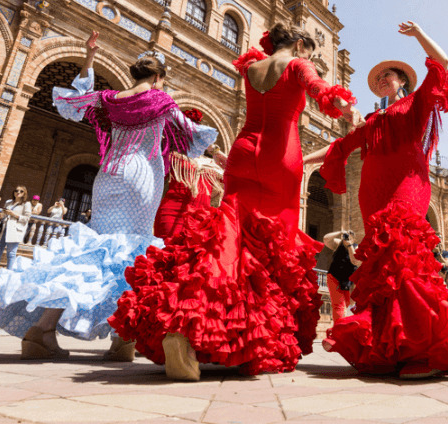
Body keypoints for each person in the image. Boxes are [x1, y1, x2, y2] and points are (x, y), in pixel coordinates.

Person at [110, 23, 357, 381]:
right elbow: (320, 90)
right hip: (280, 157)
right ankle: (248, 337)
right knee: (273, 250)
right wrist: (342, 104)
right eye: (310, 53)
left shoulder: (252, 67)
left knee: (227, 239)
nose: (311, 59)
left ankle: (184, 326)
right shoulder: (298, 64)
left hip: (243, 151)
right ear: (301, 44)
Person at [0, 31, 217, 361]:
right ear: (158, 77)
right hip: (140, 176)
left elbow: (74, 101)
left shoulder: (109, 99)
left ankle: (42, 330)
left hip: (107, 175)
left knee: (94, 249)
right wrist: (216, 154)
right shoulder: (160, 100)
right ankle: (123, 339)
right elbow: (190, 134)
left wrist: (90, 57)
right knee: (133, 253)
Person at [306, 21, 448, 378]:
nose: (382, 81)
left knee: (404, 255)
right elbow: (339, 148)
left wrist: (420, 33)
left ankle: (424, 348)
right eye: (378, 79)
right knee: (384, 270)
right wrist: (297, 161)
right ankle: (397, 347)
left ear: (402, 82)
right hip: (372, 193)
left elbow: (443, 62)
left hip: (407, 185)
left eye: (388, 76)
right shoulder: (373, 119)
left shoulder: (416, 104)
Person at [153, 108, 227, 243]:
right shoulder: (174, 156)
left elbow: (235, 170)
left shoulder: (212, 164)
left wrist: (214, 150)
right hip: (170, 213)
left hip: (200, 221)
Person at [0, 186, 32, 274]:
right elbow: (3, 214)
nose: (18, 192)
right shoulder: (8, 202)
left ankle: (8, 276)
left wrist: (14, 214)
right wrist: (1, 216)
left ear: (24, 194)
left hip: (14, 230)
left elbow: (27, 218)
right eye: (16, 190)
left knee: (11, 254)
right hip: (3, 229)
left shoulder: (26, 204)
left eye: (21, 191)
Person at [323, 230, 361, 322]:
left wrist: (349, 245)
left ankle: (348, 325)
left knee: (350, 304)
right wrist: (340, 232)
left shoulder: (356, 247)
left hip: (349, 279)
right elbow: (326, 238)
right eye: (346, 236)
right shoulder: (338, 244)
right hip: (334, 276)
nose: (347, 238)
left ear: (353, 239)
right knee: (338, 305)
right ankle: (338, 330)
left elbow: (354, 260)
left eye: (349, 236)